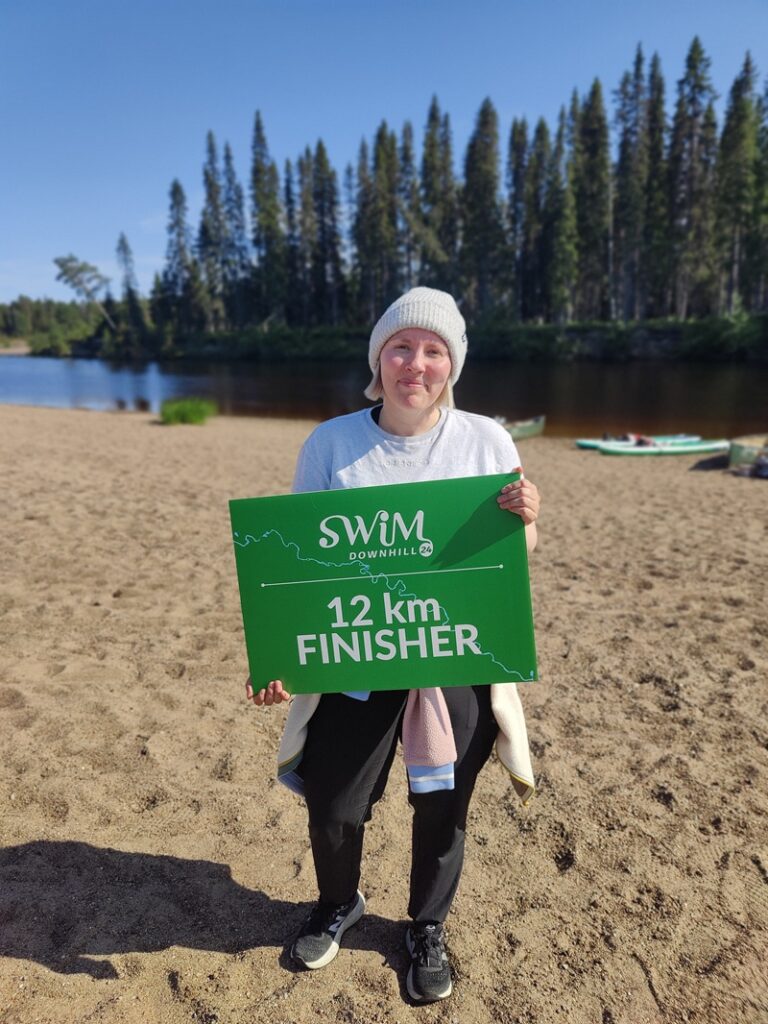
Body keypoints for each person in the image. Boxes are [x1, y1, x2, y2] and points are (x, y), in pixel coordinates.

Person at [246, 287, 540, 1003]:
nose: (417, 362)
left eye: (434, 350)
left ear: (452, 365)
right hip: (358, 653)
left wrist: (527, 521)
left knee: (444, 803)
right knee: (334, 804)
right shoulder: (332, 443)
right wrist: (281, 658)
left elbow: (511, 558)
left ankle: (426, 925)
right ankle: (338, 903)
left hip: (454, 653)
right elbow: (297, 567)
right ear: (380, 358)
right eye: (402, 347)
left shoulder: (487, 441)